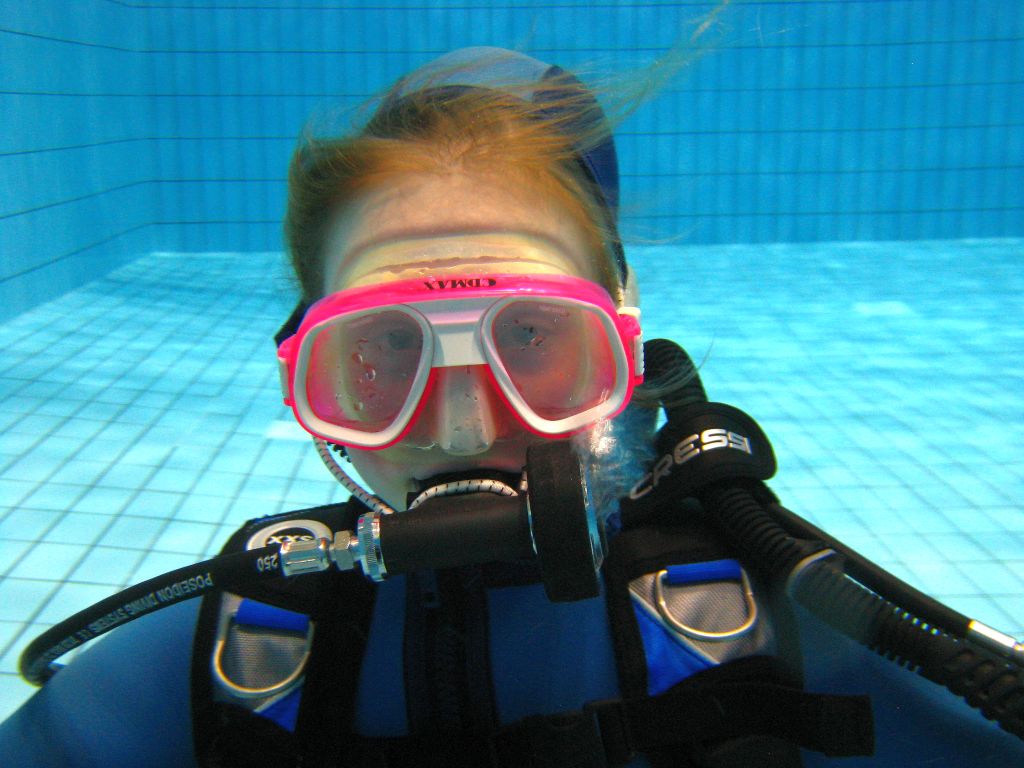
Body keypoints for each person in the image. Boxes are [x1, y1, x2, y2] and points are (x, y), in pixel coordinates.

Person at [2, 47, 1021, 768]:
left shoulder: (773, 632)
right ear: (307, 378)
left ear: (623, 356)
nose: (460, 427)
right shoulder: (235, 660)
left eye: (529, 337)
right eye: (385, 349)